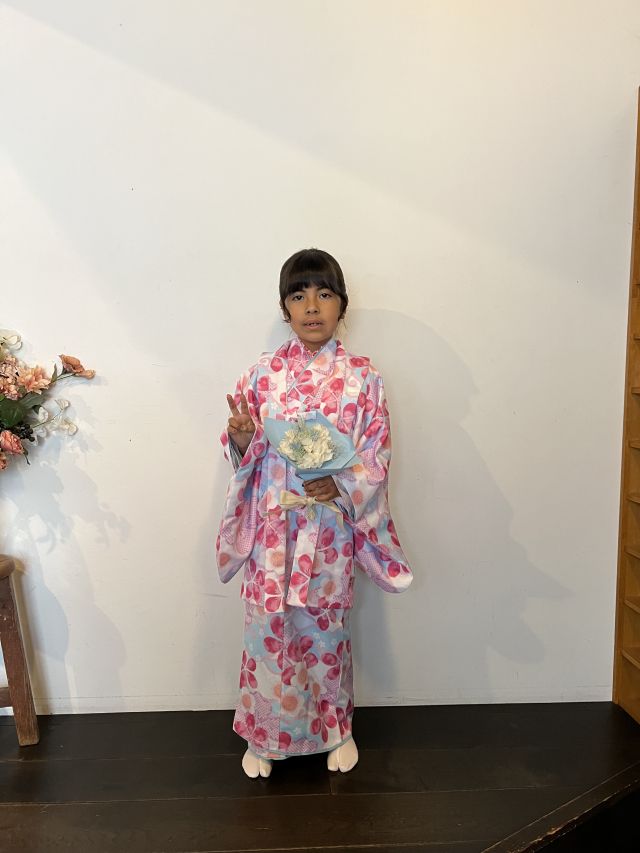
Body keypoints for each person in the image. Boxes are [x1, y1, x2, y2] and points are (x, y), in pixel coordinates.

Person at [216, 248, 413, 779]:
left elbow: (377, 454)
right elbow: (244, 456)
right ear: (284, 308)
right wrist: (242, 438)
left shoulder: (363, 378)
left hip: (327, 527)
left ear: (341, 305)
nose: (311, 306)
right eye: (299, 295)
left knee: (326, 630)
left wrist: (341, 482)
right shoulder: (260, 376)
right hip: (274, 528)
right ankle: (264, 736)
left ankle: (335, 731)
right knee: (268, 628)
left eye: (324, 294)